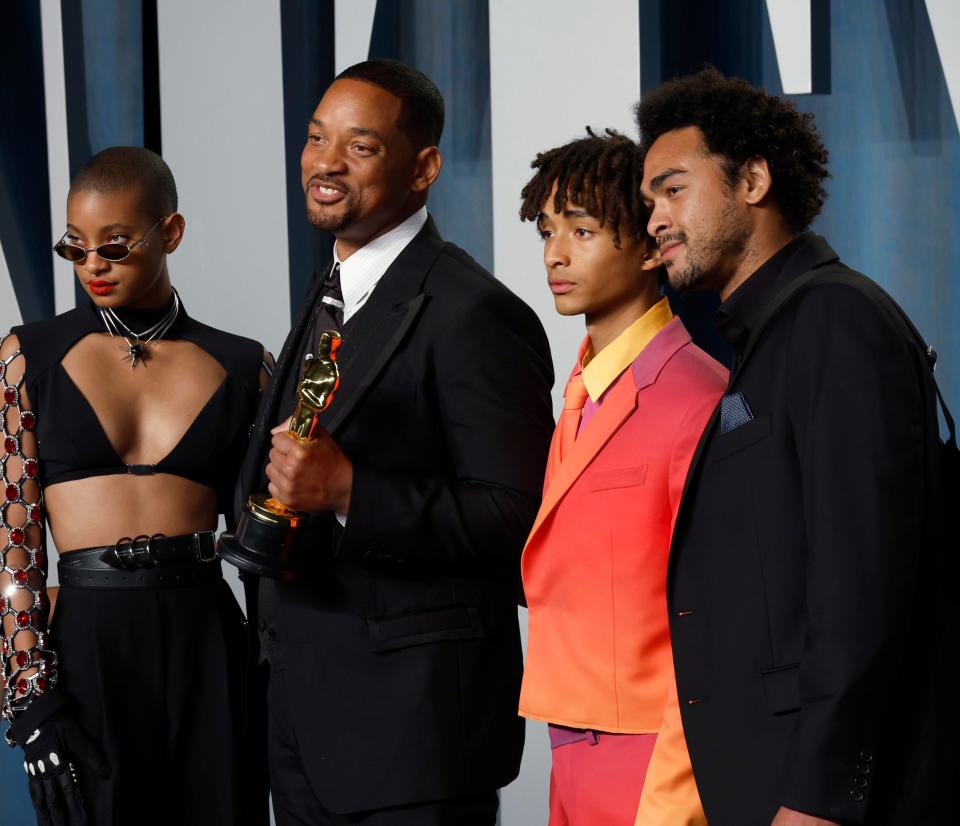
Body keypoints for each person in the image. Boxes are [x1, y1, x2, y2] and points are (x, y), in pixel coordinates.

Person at [235, 59, 554, 825]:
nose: (325, 164)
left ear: (425, 168)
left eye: (361, 146)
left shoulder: (473, 311)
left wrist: (350, 492)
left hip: (414, 738)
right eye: (316, 138)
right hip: (302, 728)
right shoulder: (330, 292)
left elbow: (521, 516)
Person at [638, 68, 955, 825]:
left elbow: (862, 585)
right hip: (763, 779)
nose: (654, 219)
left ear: (753, 180)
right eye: (649, 201)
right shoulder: (774, 333)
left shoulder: (836, 322)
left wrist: (819, 797)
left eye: (674, 190)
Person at [0, 147, 269, 825]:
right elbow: (16, 538)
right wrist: (29, 696)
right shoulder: (26, 358)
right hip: (88, 640)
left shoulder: (245, 365)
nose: (93, 265)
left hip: (207, 638)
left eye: (114, 246)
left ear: (170, 233)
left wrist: (281, 677)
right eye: (76, 247)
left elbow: (268, 549)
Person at [516, 128, 725, 826]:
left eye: (582, 229)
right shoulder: (579, 390)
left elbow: (712, 622)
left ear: (645, 247)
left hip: (654, 758)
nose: (555, 252)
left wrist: (673, 798)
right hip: (570, 741)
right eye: (548, 229)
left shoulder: (697, 395)